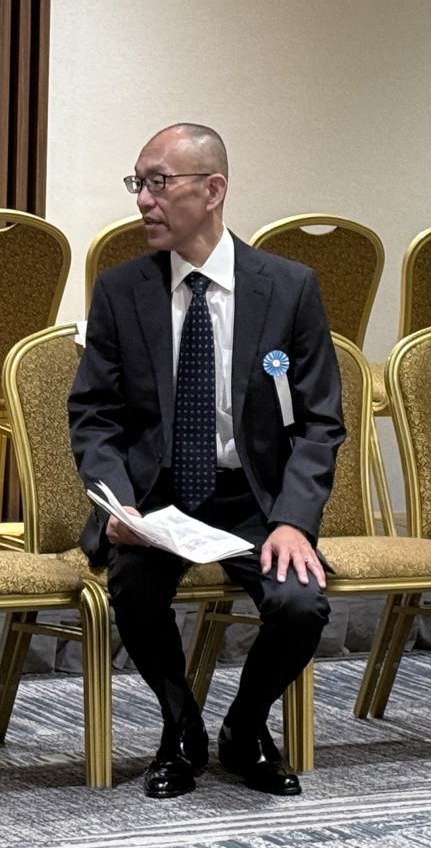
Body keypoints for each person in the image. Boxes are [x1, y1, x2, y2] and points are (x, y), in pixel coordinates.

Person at [69, 123, 344, 798]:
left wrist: (293, 519)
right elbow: (94, 413)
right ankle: (180, 727)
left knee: (300, 603)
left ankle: (244, 727)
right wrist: (117, 502)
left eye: (159, 183)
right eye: (139, 184)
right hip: (156, 496)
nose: (144, 200)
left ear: (213, 190)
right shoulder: (121, 290)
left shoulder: (287, 288)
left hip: (253, 498)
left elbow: (319, 422)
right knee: (133, 589)